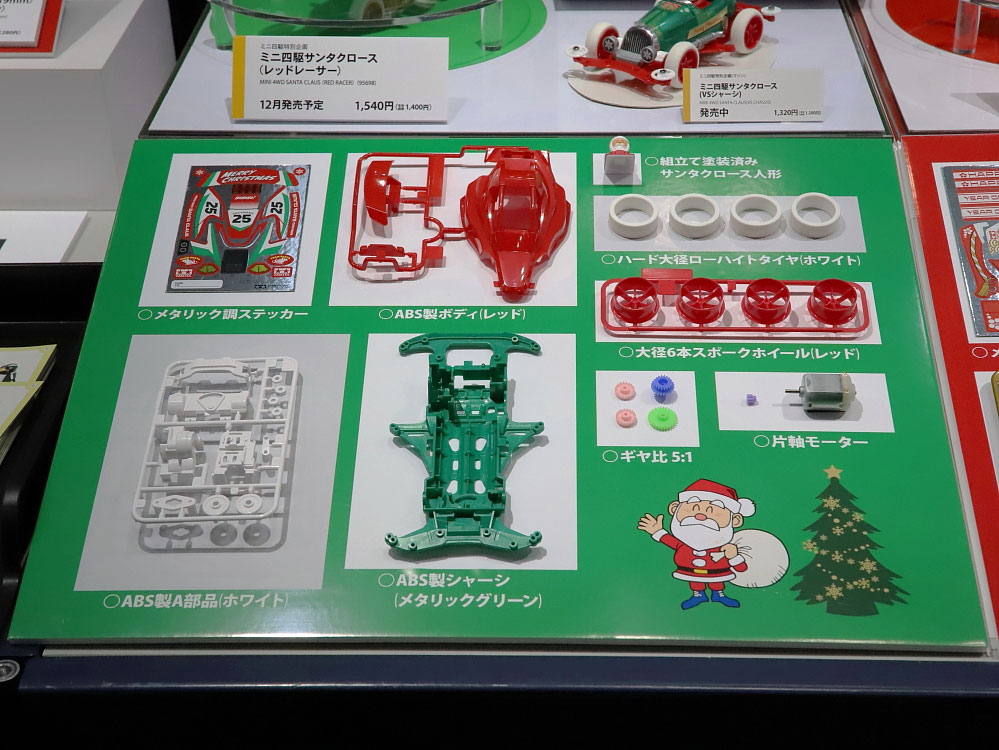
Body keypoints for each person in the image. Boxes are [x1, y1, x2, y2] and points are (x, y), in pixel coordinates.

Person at [637, 478, 755, 610]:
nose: (700, 516)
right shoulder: (684, 544)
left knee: (716, 583)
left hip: (718, 573)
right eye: (694, 508)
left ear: (735, 521)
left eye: (711, 511)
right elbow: (670, 541)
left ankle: (718, 594)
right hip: (690, 572)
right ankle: (698, 595)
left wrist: (733, 556)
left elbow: (741, 568)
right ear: (674, 509)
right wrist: (657, 531)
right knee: (695, 582)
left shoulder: (724, 548)